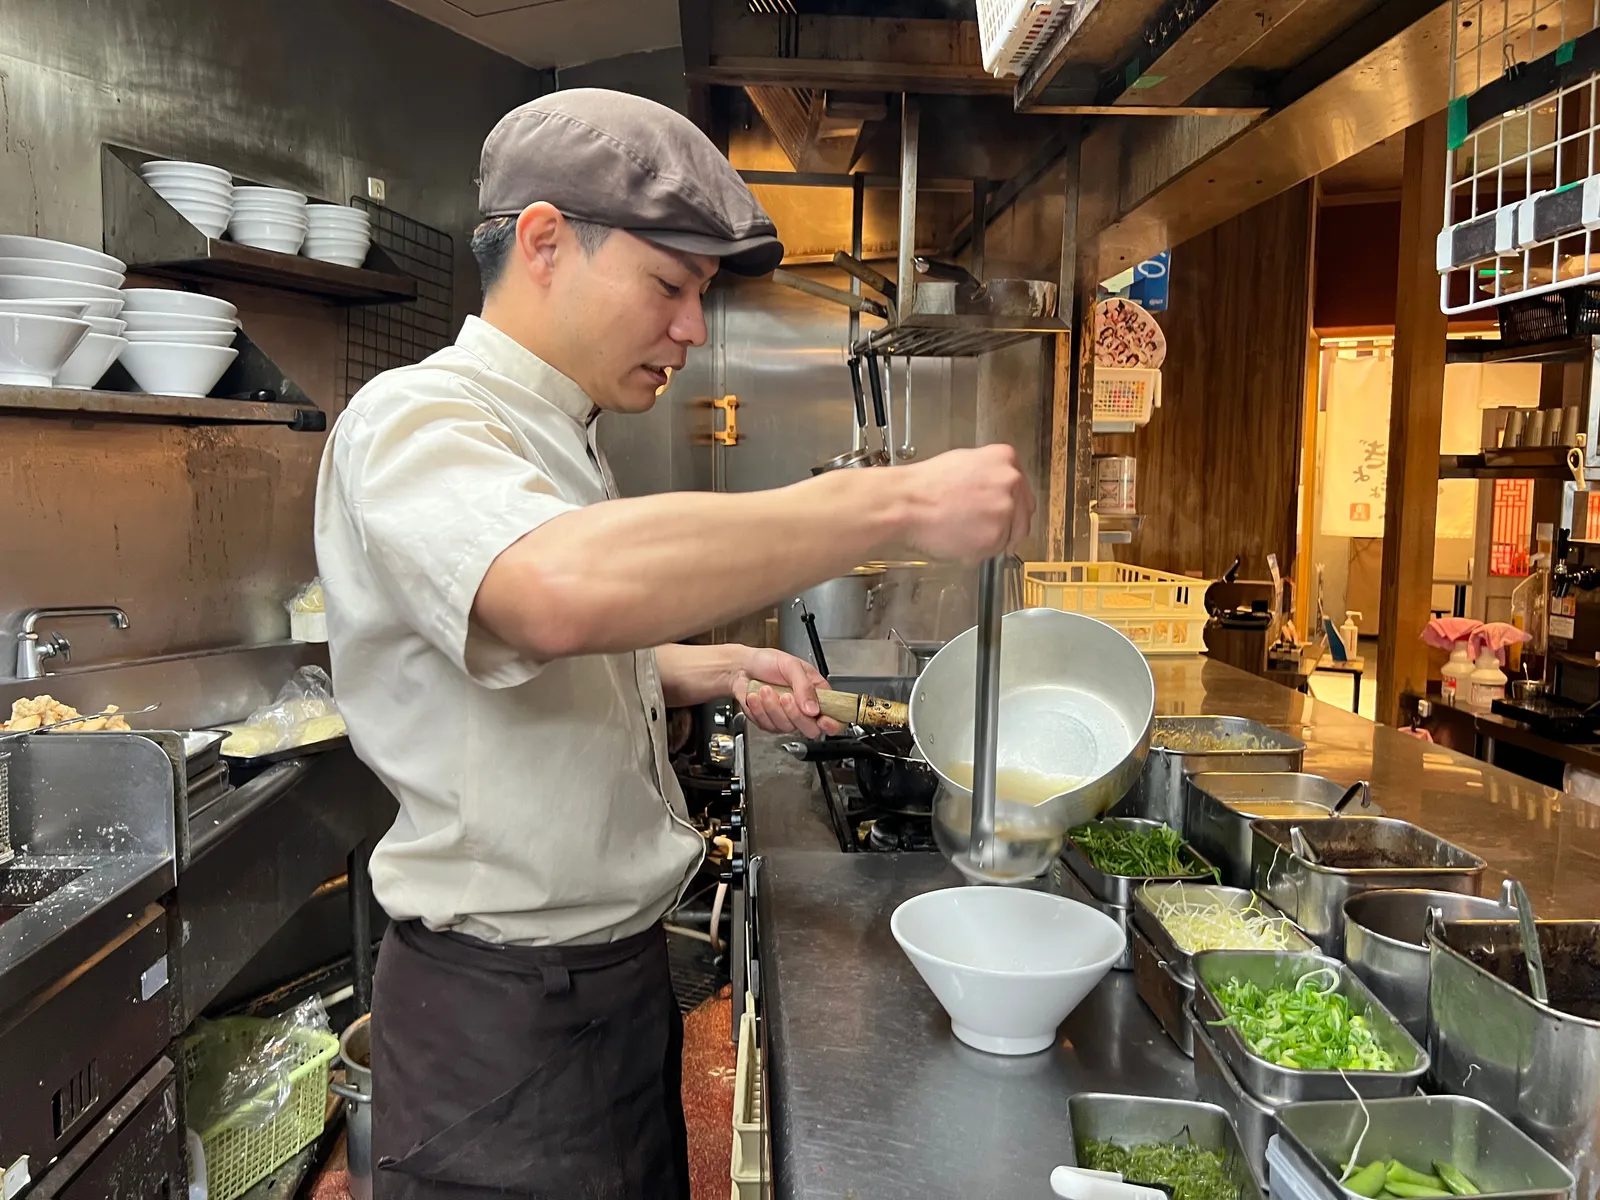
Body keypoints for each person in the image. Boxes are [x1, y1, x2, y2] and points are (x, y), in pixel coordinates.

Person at [314, 88, 1033, 1200]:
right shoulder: (419, 417)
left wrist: (716, 667)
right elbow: (550, 593)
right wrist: (891, 503)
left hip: (605, 987)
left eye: (700, 295)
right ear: (544, 241)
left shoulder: (559, 433)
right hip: (504, 1018)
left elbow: (540, 664)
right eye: (669, 286)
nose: (692, 330)